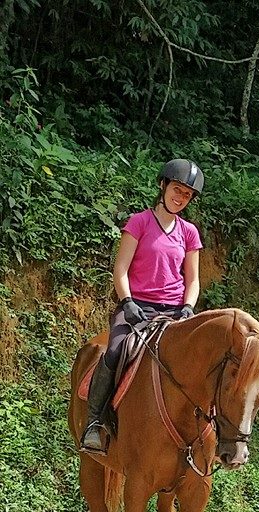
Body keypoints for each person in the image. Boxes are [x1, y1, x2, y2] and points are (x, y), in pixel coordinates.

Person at [80, 158, 205, 453]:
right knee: (114, 350)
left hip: (175, 311)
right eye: (177, 189)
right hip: (137, 307)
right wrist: (127, 302)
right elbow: (120, 269)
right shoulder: (139, 222)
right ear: (163, 186)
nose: (180, 198)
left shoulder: (189, 232)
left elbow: (194, 280)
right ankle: (94, 423)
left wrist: (188, 307)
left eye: (187, 195)